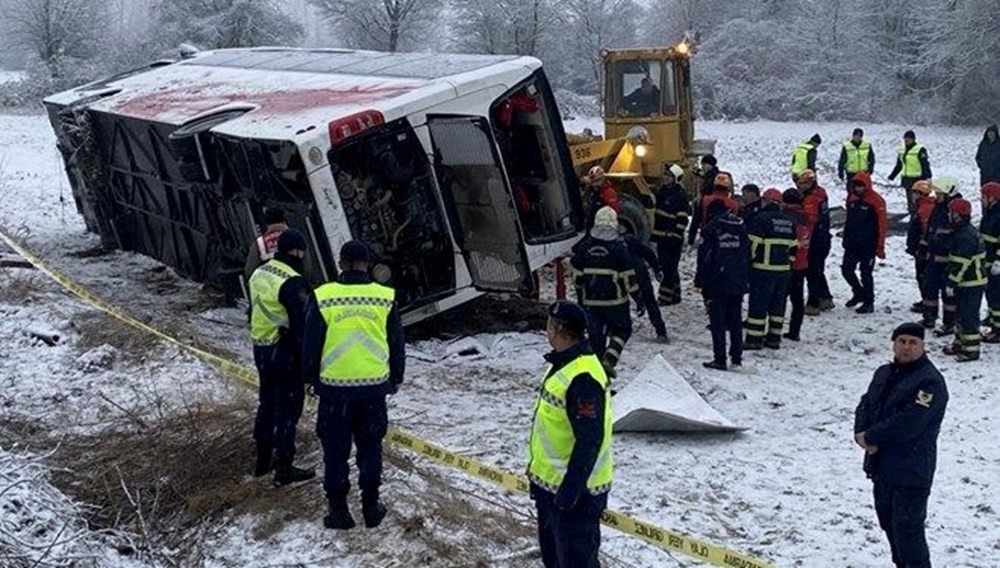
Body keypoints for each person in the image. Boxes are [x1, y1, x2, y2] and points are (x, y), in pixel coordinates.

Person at [307, 240, 405, 529]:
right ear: (369, 264)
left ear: (340, 263)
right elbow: (396, 343)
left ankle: (338, 511)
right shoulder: (385, 296)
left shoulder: (323, 296)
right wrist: (395, 377)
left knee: (335, 451)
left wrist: (310, 378)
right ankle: (371, 507)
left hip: (334, 392)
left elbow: (311, 343)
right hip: (373, 390)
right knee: (370, 448)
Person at [854, 322, 948, 568]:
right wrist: (861, 434)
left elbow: (910, 422)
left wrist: (872, 436)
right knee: (889, 526)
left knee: (908, 534)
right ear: (894, 344)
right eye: (902, 341)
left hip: (911, 471)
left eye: (913, 342)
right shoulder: (884, 373)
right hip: (881, 467)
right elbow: (866, 404)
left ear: (922, 346)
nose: (906, 347)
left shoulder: (930, 383)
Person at [528, 300, 612, 568]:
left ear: (558, 329)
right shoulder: (562, 364)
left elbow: (590, 439)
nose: (547, 330)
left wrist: (571, 491)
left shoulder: (583, 378)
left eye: (550, 325)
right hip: (551, 491)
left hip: (574, 498)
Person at [247, 229, 317, 485]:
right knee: (288, 410)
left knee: (267, 403)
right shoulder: (293, 282)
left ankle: (262, 461)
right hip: (284, 352)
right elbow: (303, 327)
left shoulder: (259, 273)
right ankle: (284, 467)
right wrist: (308, 365)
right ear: (297, 252)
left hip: (261, 348)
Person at [570, 207, 637, 377]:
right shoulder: (618, 248)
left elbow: (576, 276)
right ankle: (610, 359)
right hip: (616, 302)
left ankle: (597, 381)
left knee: (596, 342)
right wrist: (638, 298)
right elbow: (628, 276)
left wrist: (581, 296)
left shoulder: (584, 247)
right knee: (623, 330)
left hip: (591, 303)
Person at [695, 199, 749, 370]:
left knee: (717, 322)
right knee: (735, 321)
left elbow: (705, 259)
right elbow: (747, 254)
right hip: (737, 280)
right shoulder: (740, 227)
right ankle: (737, 358)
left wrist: (700, 281)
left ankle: (720, 359)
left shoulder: (711, 229)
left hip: (717, 281)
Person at [744, 188, 797, 350]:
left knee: (758, 305)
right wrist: (788, 263)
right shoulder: (790, 221)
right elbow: (794, 248)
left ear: (764, 201)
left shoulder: (761, 219)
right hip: (783, 271)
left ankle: (754, 339)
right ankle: (774, 338)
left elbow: (753, 244)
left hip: (763, 270)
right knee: (778, 305)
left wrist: (747, 263)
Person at [942, 198, 987, 362]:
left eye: (952, 213)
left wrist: (951, 282)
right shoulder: (963, 232)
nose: (949, 215)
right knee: (960, 315)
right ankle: (960, 343)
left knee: (968, 317)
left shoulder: (965, 235)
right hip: (967, 282)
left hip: (971, 283)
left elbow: (960, 263)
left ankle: (971, 351)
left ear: (959, 215)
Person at [842, 172, 887, 314]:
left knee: (866, 273)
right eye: (856, 186)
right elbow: (849, 220)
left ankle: (869, 302)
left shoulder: (876, 201)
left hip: (868, 244)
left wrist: (880, 246)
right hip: (852, 242)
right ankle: (858, 292)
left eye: (861, 186)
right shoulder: (852, 199)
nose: (858, 189)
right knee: (846, 270)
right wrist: (846, 237)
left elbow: (882, 224)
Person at [920, 177, 960, 333]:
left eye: (940, 194)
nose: (937, 196)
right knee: (929, 289)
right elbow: (930, 228)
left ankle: (949, 323)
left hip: (946, 260)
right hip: (932, 257)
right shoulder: (938, 207)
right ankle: (929, 317)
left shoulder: (956, 210)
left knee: (948, 295)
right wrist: (923, 247)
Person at [651, 163, 689, 306]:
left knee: (668, 268)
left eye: (669, 176)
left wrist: (676, 235)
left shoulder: (679, 195)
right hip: (662, 237)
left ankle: (665, 297)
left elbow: (682, 218)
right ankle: (676, 294)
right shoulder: (662, 192)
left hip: (672, 237)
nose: (665, 178)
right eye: (665, 175)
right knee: (670, 267)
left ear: (676, 178)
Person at [622, 227, 668, 342]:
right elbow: (648, 253)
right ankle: (661, 332)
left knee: (620, 301)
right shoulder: (629, 240)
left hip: (625, 274)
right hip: (639, 271)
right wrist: (657, 269)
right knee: (650, 301)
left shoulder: (609, 245)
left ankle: (618, 329)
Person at [798, 169, 834, 314]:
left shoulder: (811, 199)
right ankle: (825, 298)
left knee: (812, 271)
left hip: (815, 239)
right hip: (823, 237)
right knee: (817, 270)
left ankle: (813, 303)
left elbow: (810, 219)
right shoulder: (820, 194)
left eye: (803, 184)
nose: (800, 186)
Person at [782, 188, 811, 341]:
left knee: (779, 299)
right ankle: (794, 331)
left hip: (788, 263)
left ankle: (773, 330)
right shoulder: (805, 217)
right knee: (797, 300)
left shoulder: (787, 217)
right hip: (802, 263)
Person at [906, 180, 936, 313]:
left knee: (923, 276)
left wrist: (920, 248)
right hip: (920, 248)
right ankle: (926, 300)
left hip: (923, 250)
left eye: (914, 193)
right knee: (922, 276)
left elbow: (924, 230)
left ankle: (927, 302)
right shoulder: (922, 206)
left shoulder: (925, 208)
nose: (912, 196)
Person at [689, 172, 740, 246]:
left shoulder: (705, 200)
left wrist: (691, 239)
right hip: (726, 241)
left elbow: (696, 221)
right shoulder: (734, 204)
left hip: (707, 238)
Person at [888, 130, 932, 215]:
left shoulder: (920, 149)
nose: (906, 140)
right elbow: (899, 165)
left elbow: (925, 164)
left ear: (913, 139)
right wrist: (892, 176)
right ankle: (913, 214)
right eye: (905, 138)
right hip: (907, 178)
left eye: (908, 139)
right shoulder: (902, 150)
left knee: (918, 199)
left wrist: (928, 177)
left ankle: (920, 214)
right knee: (910, 200)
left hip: (917, 178)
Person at [244, 207, 288, 286]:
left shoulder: (260, 243)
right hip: (297, 287)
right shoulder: (295, 237)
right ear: (284, 220)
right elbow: (307, 267)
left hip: (273, 288)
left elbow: (249, 272)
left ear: (266, 223)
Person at [981, 182, 1000, 343]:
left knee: (997, 299)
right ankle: (994, 325)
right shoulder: (990, 213)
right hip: (988, 262)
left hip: (996, 265)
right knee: (992, 297)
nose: (982, 200)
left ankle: (998, 331)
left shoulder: (997, 215)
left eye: (984, 197)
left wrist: (998, 262)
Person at [582, 166, 620, 230]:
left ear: (602, 179)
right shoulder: (591, 192)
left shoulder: (608, 193)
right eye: (593, 181)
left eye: (597, 181)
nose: (595, 184)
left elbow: (614, 211)